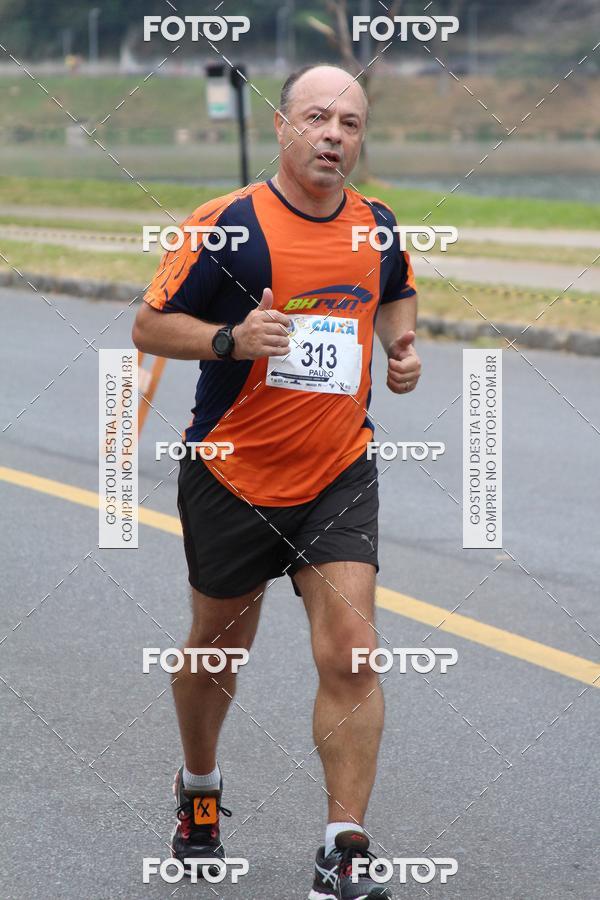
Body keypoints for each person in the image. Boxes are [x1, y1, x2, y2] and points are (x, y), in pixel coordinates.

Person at [132, 62, 421, 900]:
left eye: (353, 124)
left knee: (352, 651)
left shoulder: (378, 225)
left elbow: (397, 293)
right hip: (232, 472)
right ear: (286, 124)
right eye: (320, 118)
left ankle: (344, 845)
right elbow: (150, 322)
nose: (336, 135)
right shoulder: (225, 225)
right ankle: (198, 791)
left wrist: (401, 349)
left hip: (338, 469)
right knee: (221, 648)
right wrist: (231, 339)